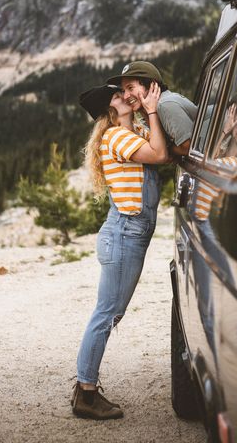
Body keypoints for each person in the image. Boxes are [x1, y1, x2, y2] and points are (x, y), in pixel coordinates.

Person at [72, 82, 168, 420]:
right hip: (125, 233)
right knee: (107, 313)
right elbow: (159, 154)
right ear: (109, 111)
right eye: (117, 96)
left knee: (110, 312)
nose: (125, 97)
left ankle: (84, 388)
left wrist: (148, 111)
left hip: (128, 233)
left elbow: (161, 143)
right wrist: (153, 109)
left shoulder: (135, 130)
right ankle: (86, 393)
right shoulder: (116, 136)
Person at [106, 61, 197, 157]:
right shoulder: (154, 109)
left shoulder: (165, 105)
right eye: (123, 91)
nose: (125, 96)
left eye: (130, 88)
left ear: (151, 85)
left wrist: (167, 149)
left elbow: (188, 147)